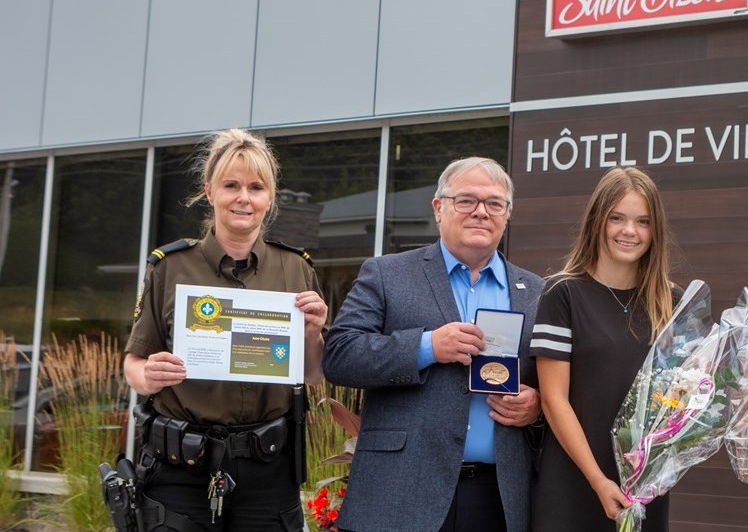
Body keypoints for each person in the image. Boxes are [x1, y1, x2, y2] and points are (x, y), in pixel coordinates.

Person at [323, 157, 543, 532]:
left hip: (499, 498)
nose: (481, 212)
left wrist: (536, 407)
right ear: (438, 208)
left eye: (494, 203)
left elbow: (551, 379)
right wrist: (426, 347)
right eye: (466, 200)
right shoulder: (386, 273)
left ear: (507, 214)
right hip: (400, 490)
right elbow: (340, 355)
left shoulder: (536, 290)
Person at [124, 128, 328, 532]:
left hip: (267, 470)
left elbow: (312, 374)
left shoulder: (296, 268)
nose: (243, 198)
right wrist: (146, 376)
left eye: (256, 187)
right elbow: (133, 361)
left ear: (269, 198)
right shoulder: (170, 267)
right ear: (209, 190)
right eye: (231, 185)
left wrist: (313, 332)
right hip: (181, 469)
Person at [528, 167, 680, 532]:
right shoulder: (562, 294)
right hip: (574, 483)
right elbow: (553, 401)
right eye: (617, 218)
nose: (630, 231)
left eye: (643, 221)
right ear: (597, 221)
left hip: (643, 490)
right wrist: (598, 480)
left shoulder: (670, 300)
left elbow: (679, 400)